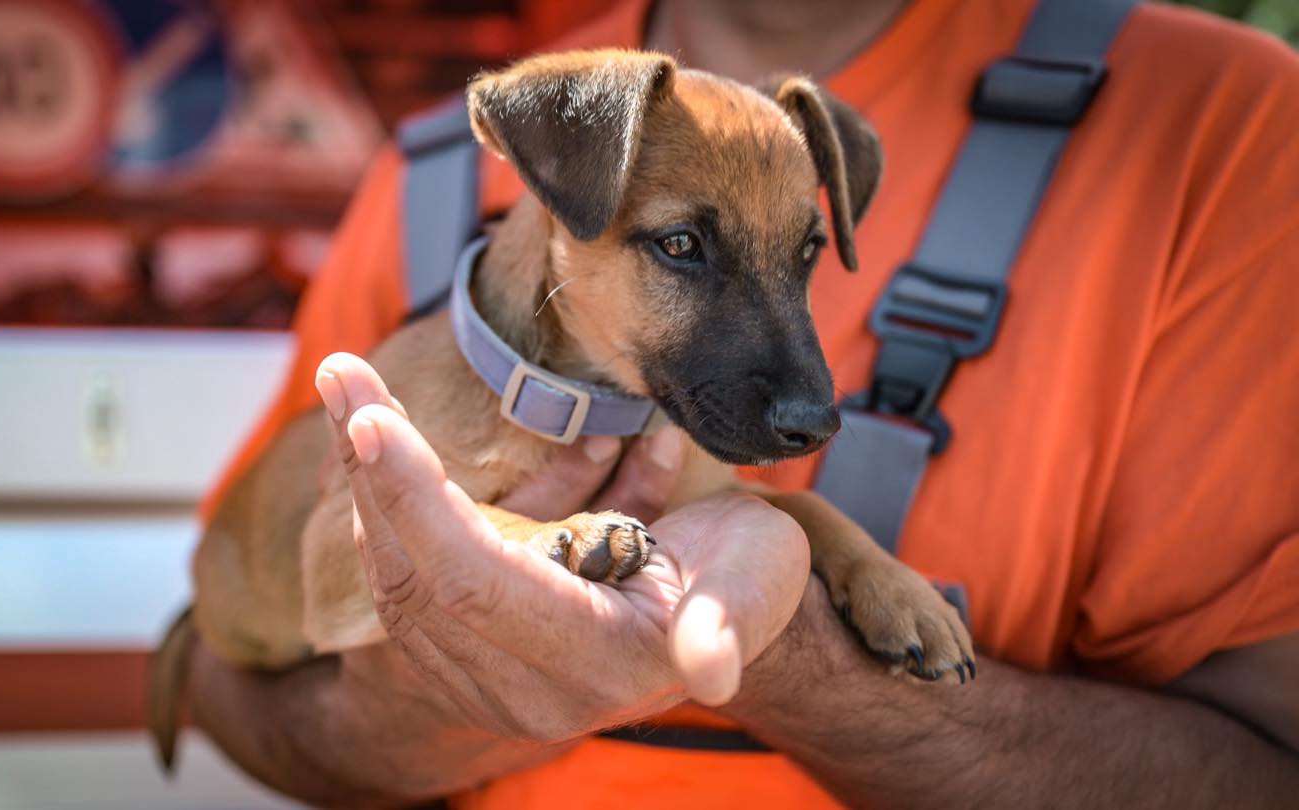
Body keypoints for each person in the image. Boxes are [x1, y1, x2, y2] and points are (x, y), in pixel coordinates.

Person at [187, 1, 1299, 807]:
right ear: (554, 192)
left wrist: (805, 636)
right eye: (683, 251)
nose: (804, 399)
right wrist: (467, 649)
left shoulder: (1222, 130)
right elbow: (248, 662)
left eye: (805, 257)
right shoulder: (434, 186)